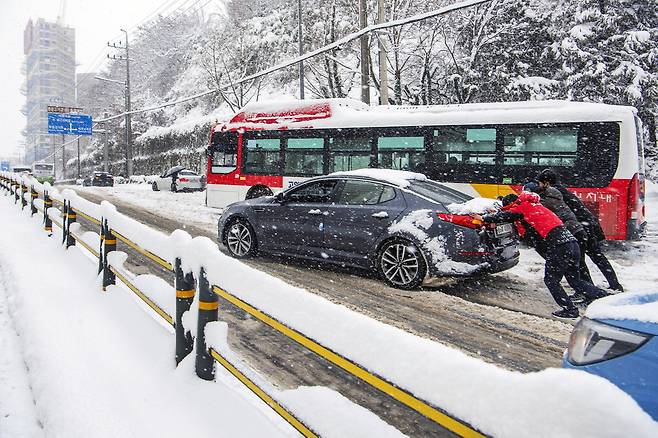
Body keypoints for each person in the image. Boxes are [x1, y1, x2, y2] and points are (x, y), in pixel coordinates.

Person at [472, 192, 609, 319]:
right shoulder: (536, 205)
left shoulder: (522, 207)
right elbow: (510, 215)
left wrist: (483, 217)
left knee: (551, 280)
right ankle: (605, 298)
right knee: (575, 280)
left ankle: (570, 310)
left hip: (559, 246)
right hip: (572, 243)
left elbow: (505, 216)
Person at [537, 169, 623, 292]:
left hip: (581, 227)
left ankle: (590, 292)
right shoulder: (562, 190)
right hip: (589, 224)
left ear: (546, 183)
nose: (539, 186)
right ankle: (614, 285)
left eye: (540, 183)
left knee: (580, 262)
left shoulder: (552, 193)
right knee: (597, 256)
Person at [523, 181, 593, 293]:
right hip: (577, 230)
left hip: (569, 233)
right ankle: (588, 291)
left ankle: (590, 293)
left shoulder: (543, 203)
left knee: (574, 269)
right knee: (578, 265)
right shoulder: (553, 194)